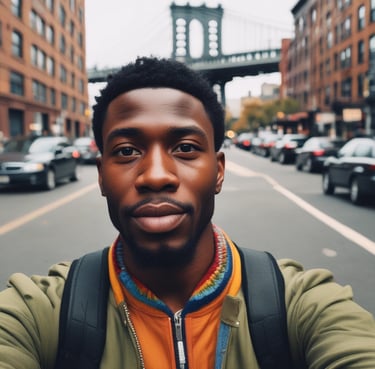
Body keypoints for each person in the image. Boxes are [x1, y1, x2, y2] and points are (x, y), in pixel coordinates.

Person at [0, 57, 374, 369]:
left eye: (185, 147)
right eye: (128, 151)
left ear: (220, 171)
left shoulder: (300, 302)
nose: (157, 176)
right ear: (101, 176)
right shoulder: (43, 311)